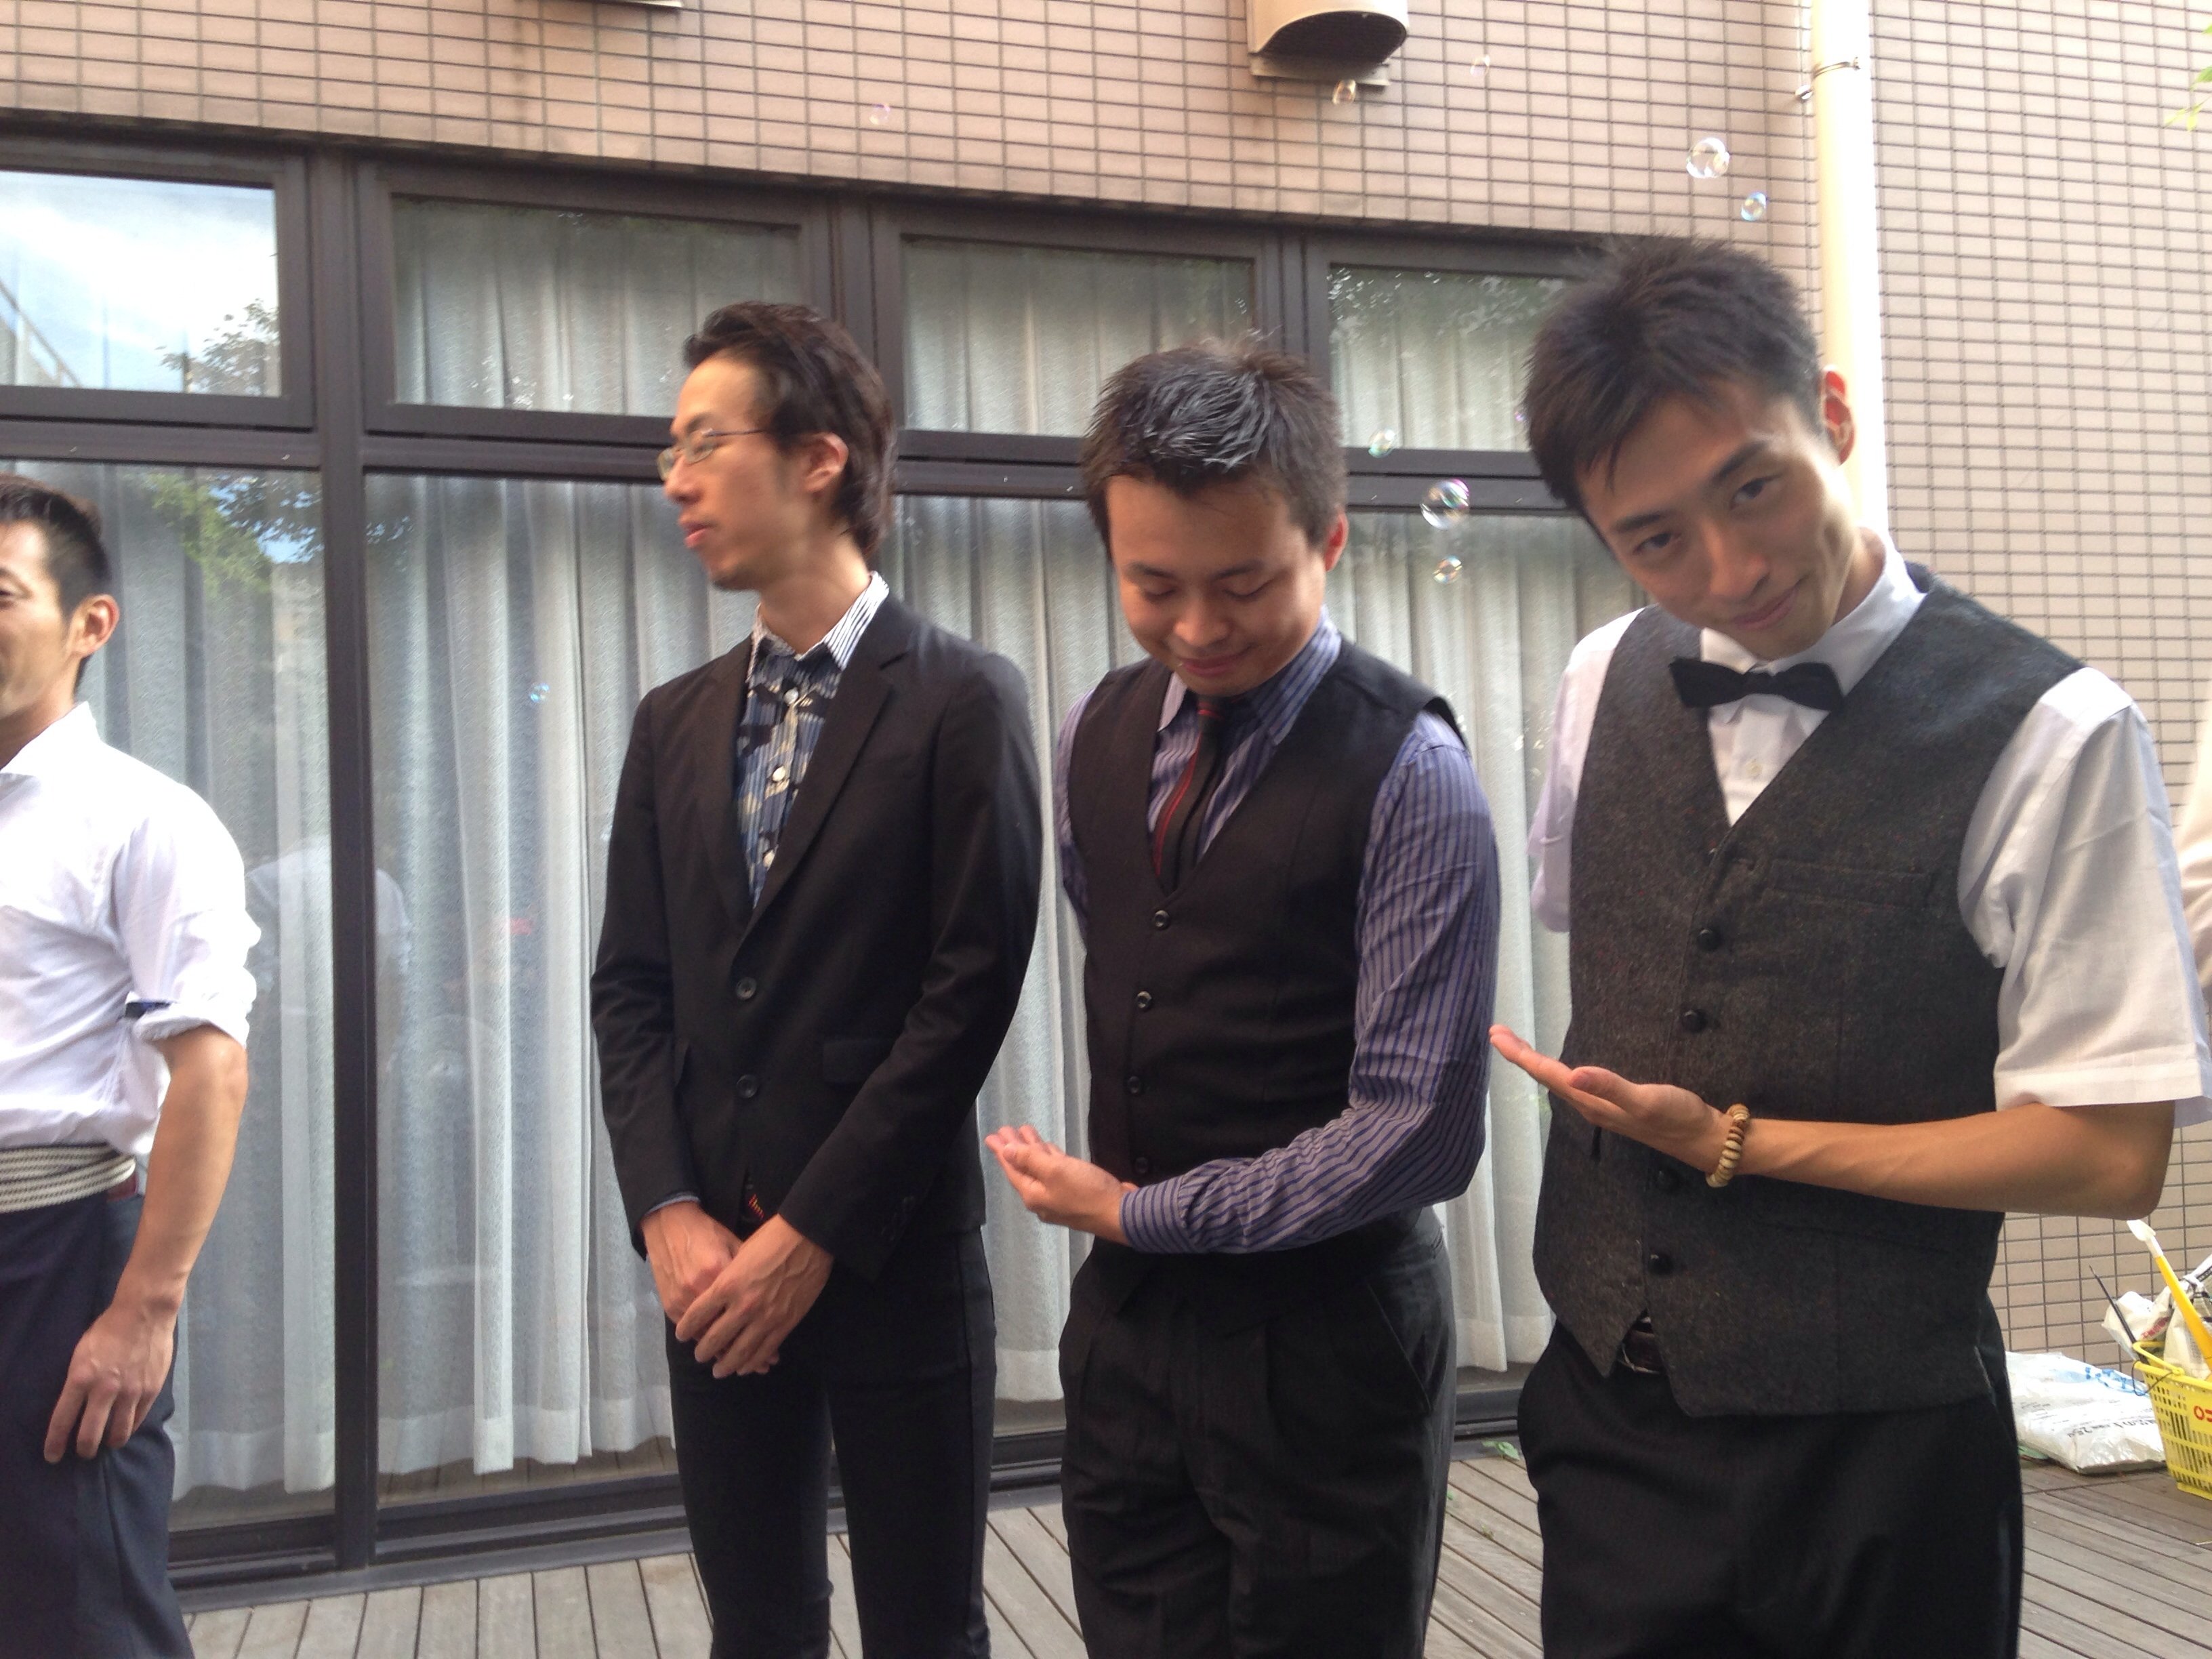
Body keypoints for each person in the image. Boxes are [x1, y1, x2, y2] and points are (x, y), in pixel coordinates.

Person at [1496, 238, 2209, 1659]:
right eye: (1655, 539)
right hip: (1610, 1412)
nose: (1731, 568)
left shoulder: (2058, 732)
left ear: (1831, 412)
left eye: (1753, 487)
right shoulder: (1596, 678)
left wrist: (1737, 1143)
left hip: (1883, 1447)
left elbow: (2107, 1152)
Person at [987, 340, 1499, 1658]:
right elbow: (1142, 965)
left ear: (1328, 542)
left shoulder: (1414, 769)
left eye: (1245, 584)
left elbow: (1419, 1133)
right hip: (1130, 1331)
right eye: (1153, 585)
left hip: (1328, 1343)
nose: (1200, 629)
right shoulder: (1094, 732)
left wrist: (1142, 1210)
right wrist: (1132, 1232)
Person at [591, 302, 1043, 1659]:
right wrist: (667, 1210)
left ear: (818, 459)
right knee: (758, 1624)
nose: (675, 481)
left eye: (703, 444)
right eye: (669, 452)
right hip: (711, 1266)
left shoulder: (962, 698)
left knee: (925, 1629)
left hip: (892, 1250)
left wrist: (813, 1233)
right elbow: (632, 987)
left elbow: (968, 996)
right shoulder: (672, 720)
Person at [0, 474, 257, 1656]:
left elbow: (211, 1072)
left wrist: (143, 1313)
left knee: (85, 1608)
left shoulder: (144, 820)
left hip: (55, 1256)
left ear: (89, 624)